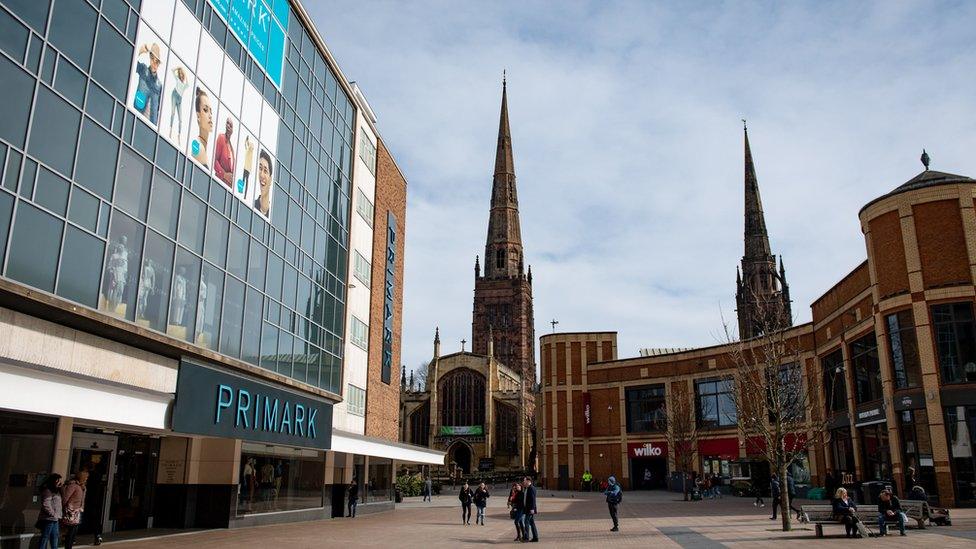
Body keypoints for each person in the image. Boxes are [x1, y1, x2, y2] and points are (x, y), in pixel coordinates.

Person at [133, 43, 163, 124]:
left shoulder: (159, 85)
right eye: (152, 59)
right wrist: (140, 51)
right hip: (137, 116)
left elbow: (158, 108)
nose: (154, 63)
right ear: (150, 58)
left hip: (150, 124)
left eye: (157, 62)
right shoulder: (143, 69)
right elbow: (131, 63)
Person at [61, 470, 89, 549]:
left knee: (74, 531)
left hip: (78, 511)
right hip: (71, 510)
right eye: (86, 477)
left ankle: (69, 546)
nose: (87, 478)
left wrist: (81, 508)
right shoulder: (73, 485)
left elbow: (82, 499)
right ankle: (68, 547)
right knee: (71, 531)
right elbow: (65, 498)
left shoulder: (82, 486)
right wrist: (64, 508)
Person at [37, 473, 62, 549]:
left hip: (55, 518)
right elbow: (46, 504)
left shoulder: (56, 491)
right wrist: (53, 514)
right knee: (45, 537)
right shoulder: (48, 491)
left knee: (55, 537)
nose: (60, 483)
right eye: (58, 481)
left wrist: (57, 515)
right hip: (49, 519)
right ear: (54, 481)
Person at [191, 87, 213, 167]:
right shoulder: (199, 148)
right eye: (205, 110)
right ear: (198, 116)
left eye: (211, 112)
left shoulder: (203, 148)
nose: (210, 116)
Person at [168, 67, 189, 142]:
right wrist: (178, 68)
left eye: (181, 74)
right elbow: (172, 70)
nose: (181, 75)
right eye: (179, 74)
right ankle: (170, 130)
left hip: (180, 100)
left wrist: (185, 74)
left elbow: (188, 84)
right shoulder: (177, 79)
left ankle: (179, 135)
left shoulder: (184, 85)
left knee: (180, 120)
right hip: (174, 94)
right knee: (173, 113)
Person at [213, 117, 236, 186]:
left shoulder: (232, 149)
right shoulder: (221, 138)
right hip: (219, 183)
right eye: (227, 123)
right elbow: (215, 161)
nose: (228, 126)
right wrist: (224, 175)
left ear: (232, 130)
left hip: (228, 187)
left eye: (231, 125)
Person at [254, 150, 272, 216]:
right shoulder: (252, 205)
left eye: (265, 171)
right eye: (260, 168)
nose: (261, 175)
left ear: (270, 179)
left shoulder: (273, 214)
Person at [521, 476, 539, 542]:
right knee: (532, 523)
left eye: (524, 480)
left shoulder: (531, 488)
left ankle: (526, 538)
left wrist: (532, 509)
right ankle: (535, 537)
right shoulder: (527, 488)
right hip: (527, 509)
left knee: (526, 522)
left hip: (530, 509)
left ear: (528, 481)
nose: (523, 482)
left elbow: (533, 499)